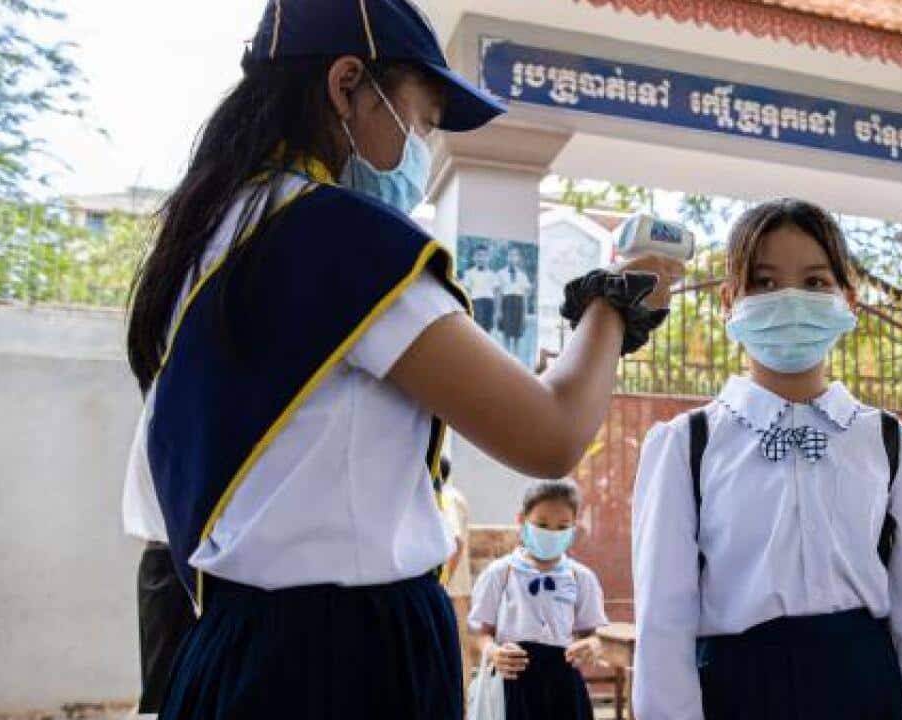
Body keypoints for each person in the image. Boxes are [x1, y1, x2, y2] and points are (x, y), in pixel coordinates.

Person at [123, 2, 681, 717]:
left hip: (233, 642)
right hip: (345, 656)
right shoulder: (339, 238)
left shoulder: (208, 237)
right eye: (420, 119)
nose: (425, 148)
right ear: (346, 82)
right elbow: (551, 430)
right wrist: (618, 299)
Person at [632, 199, 902, 720]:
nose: (789, 299)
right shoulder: (685, 444)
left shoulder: (889, 441)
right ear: (728, 300)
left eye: (814, 283)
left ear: (848, 299)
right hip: (739, 692)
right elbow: (663, 622)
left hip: (867, 688)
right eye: (763, 282)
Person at [469, 480, 608, 720]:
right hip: (514, 682)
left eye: (562, 526)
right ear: (521, 521)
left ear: (574, 527)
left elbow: (594, 633)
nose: (552, 532)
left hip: (563, 685)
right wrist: (493, 652)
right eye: (542, 524)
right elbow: (478, 632)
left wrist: (593, 645)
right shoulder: (500, 573)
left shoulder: (581, 577)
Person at [122, 404, 196, 714]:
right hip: (175, 561)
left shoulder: (170, 396)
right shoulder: (175, 401)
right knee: (167, 698)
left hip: (171, 559)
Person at [439, 457, 474, 682]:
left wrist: (443, 581)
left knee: (457, 651)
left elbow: (456, 541)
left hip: (452, 589)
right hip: (454, 587)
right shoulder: (452, 495)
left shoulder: (447, 497)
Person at [498, 246, 534, 357]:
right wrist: (499, 310)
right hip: (507, 303)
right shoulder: (501, 273)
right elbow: (499, 294)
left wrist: (525, 313)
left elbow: (526, 296)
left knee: (517, 335)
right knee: (506, 334)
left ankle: (515, 360)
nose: (512, 258)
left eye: (514, 255)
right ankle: (506, 359)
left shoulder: (523, 275)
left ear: (518, 258)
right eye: (510, 255)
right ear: (506, 257)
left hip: (519, 304)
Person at [462, 245, 499, 333]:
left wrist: (497, 312)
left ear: (488, 258)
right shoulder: (469, 273)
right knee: (475, 330)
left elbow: (496, 293)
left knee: (487, 331)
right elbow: (466, 292)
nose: (481, 258)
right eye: (478, 255)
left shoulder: (493, 274)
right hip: (475, 303)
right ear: (474, 257)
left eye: (484, 256)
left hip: (489, 303)